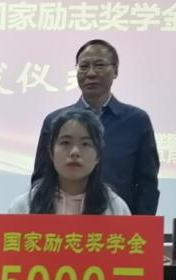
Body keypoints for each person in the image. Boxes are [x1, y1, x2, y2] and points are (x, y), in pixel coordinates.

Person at [5, 108, 130, 280]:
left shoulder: (117, 209)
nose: (74, 152)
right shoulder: (22, 207)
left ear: (98, 155)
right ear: (51, 152)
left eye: (85, 144)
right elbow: (7, 269)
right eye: (65, 143)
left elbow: (128, 272)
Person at [33, 39, 160, 215]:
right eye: (84, 67)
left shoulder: (137, 121)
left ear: (115, 71)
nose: (91, 73)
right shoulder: (55, 120)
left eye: (99, 65)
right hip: (60, 222)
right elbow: (41, 178)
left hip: (117, 220)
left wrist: (139, 226)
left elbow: (148, 183)